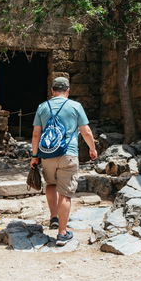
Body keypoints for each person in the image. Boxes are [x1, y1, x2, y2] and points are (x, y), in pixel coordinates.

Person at [31, 76, 97, 246]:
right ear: (68, 90)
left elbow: (36, 134)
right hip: (69, 154)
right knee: (65, 193)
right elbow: (86, 131)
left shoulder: (42, 107)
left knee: (51, 185)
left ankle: (54, 217)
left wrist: (34, 155)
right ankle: (62, 233)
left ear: (52, 90)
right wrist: (92, 148)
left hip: (47, 155)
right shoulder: (76, 106)